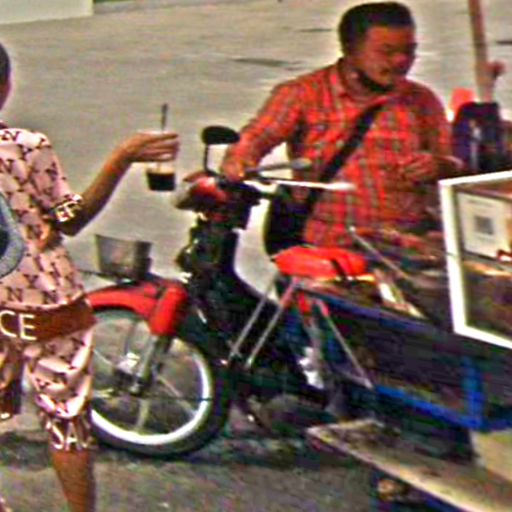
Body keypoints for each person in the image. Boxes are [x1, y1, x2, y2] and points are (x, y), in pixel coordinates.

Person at [0, 43, 179, 512]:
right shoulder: (24, 147)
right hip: (44, 301)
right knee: (66, 420)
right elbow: (71, 218)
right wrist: (122, 157)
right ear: (6, 87)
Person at [222, 1, 465, 250]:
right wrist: (239, 160)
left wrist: (439, 165)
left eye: (409, 51)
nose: (401, 61)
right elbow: (258, 135)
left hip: (411, 243)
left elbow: (455, 166)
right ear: (350, 50)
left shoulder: (422, 100)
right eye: (387, 52)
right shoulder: (303, 94)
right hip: (332, 243)